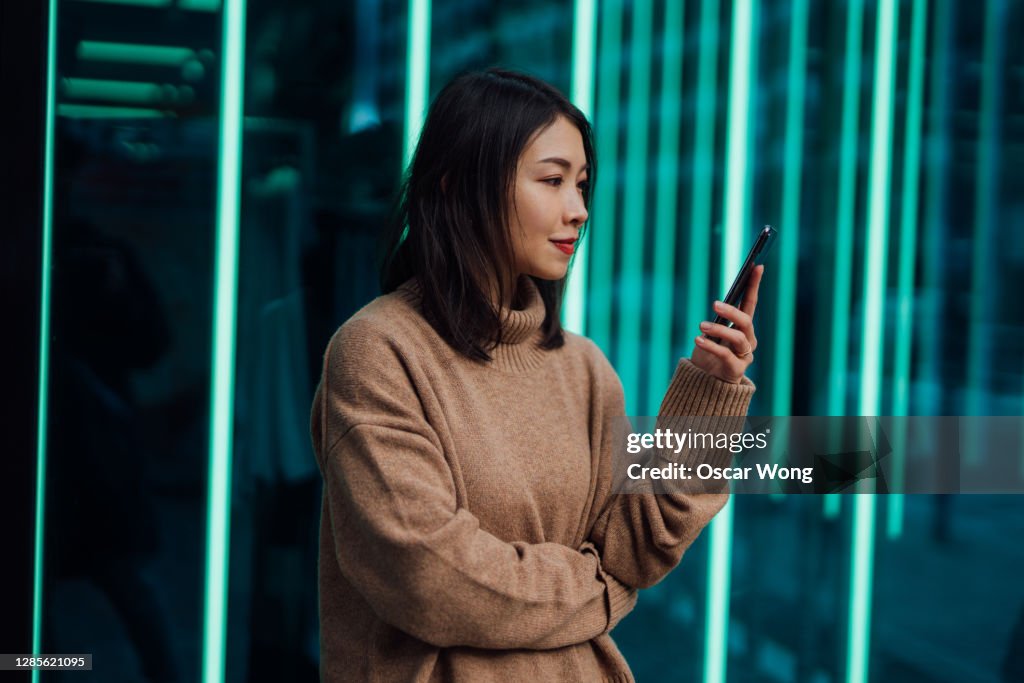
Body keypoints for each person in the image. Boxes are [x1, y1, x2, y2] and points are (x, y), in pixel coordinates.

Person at [309, 66, 764, 682]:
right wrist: (599, 591)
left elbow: (636, 548)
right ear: (456, 185)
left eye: (581, 185)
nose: (577, 209)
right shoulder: (378, 352)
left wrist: (705, 395)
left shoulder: (584, 368)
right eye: (552, 181)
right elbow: (427, 576)